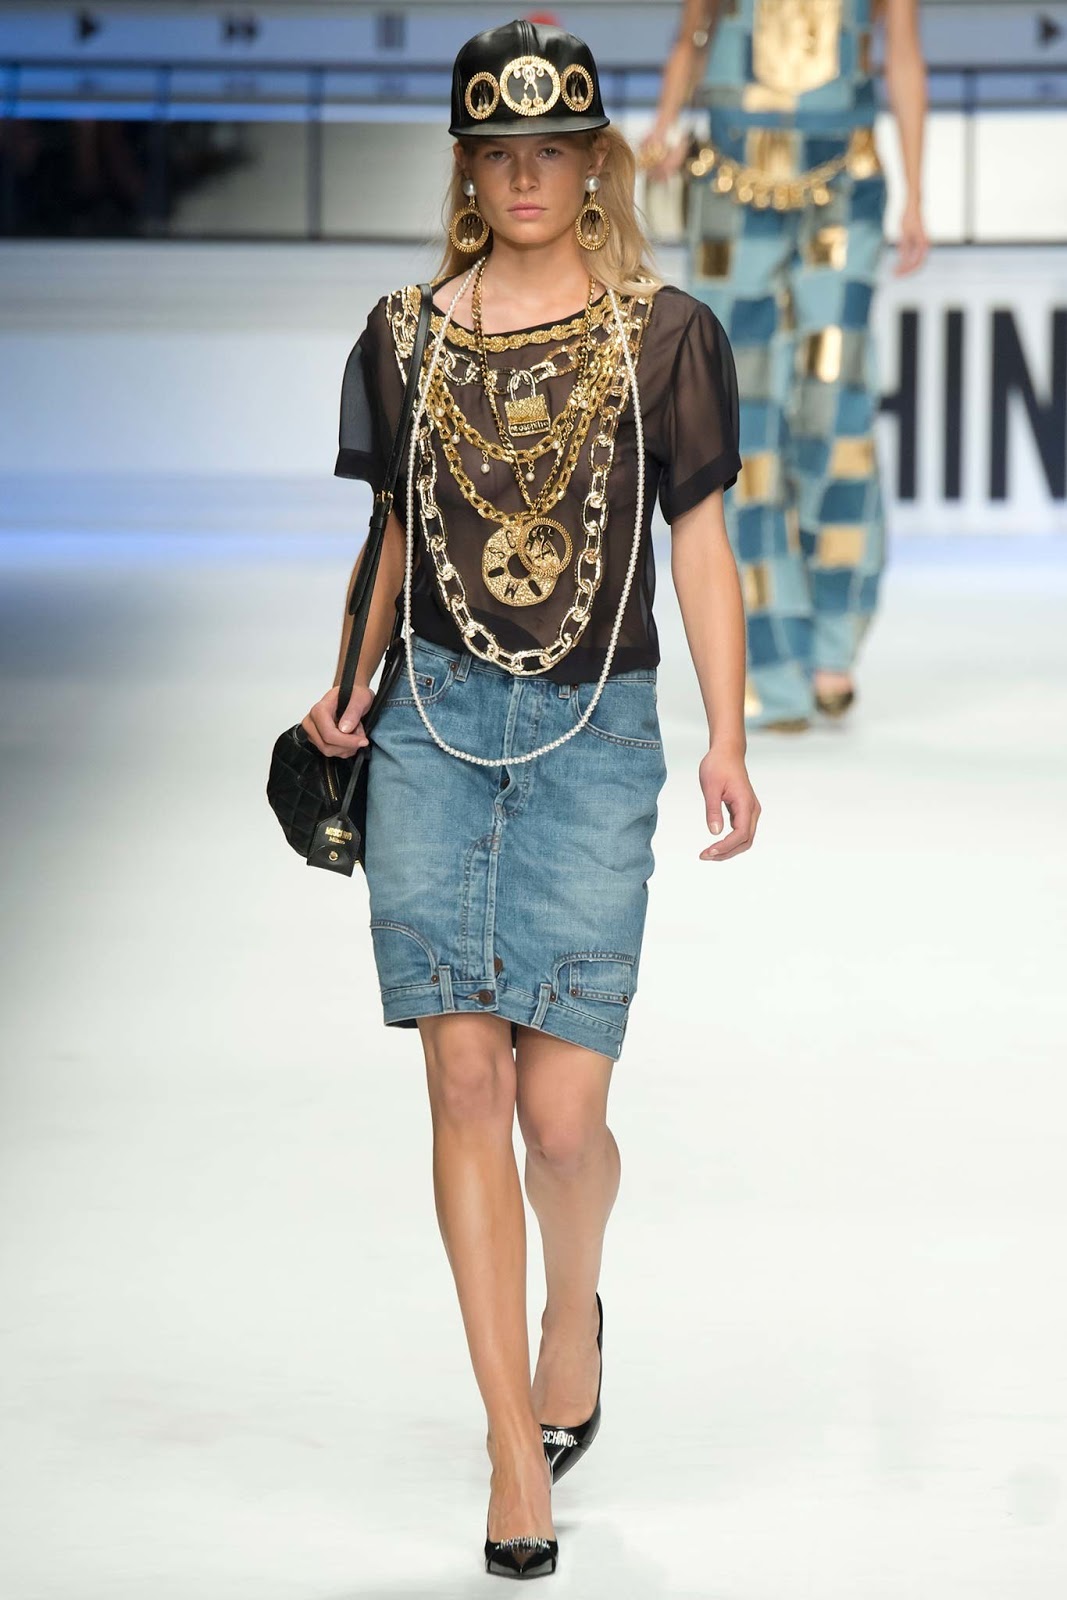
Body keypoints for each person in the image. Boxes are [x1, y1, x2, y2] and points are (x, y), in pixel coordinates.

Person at [301, 19, 758, 1580]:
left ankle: (574, 1310)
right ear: (465, 169)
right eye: (496, 154)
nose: (522, 178)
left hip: (594, 737)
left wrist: (726, 733)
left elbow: (699, 540)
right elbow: (390, 538)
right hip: (430, 725)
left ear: (592, 164)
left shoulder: (663, 338)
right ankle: (512, 1449)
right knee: (462, 1088)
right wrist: (343, 686)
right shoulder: (402, 340)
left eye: (549, 151)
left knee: (562, 1128)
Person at [641, 0, 928, 730]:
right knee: (738, 415)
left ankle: (834, 630)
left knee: (835, 400)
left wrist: (917, 194)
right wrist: (664, 127)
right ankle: (766, 658)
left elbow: (900, 50)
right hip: (729, 180)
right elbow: (694, 34)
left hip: (845, 178)